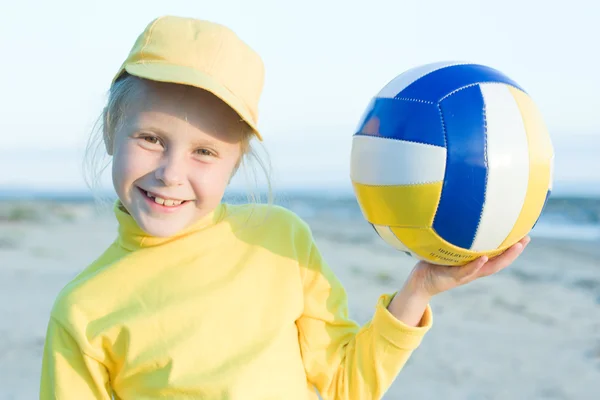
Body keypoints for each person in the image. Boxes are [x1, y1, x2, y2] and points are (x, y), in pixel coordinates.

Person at [39, 15, 530, 400]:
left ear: (235, 163)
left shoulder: (278, 239)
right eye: (150, 138)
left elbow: (344, 385)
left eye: (204, 152)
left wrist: (419, 289)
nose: (171, 172)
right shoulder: (83, 311)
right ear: (111, 131)